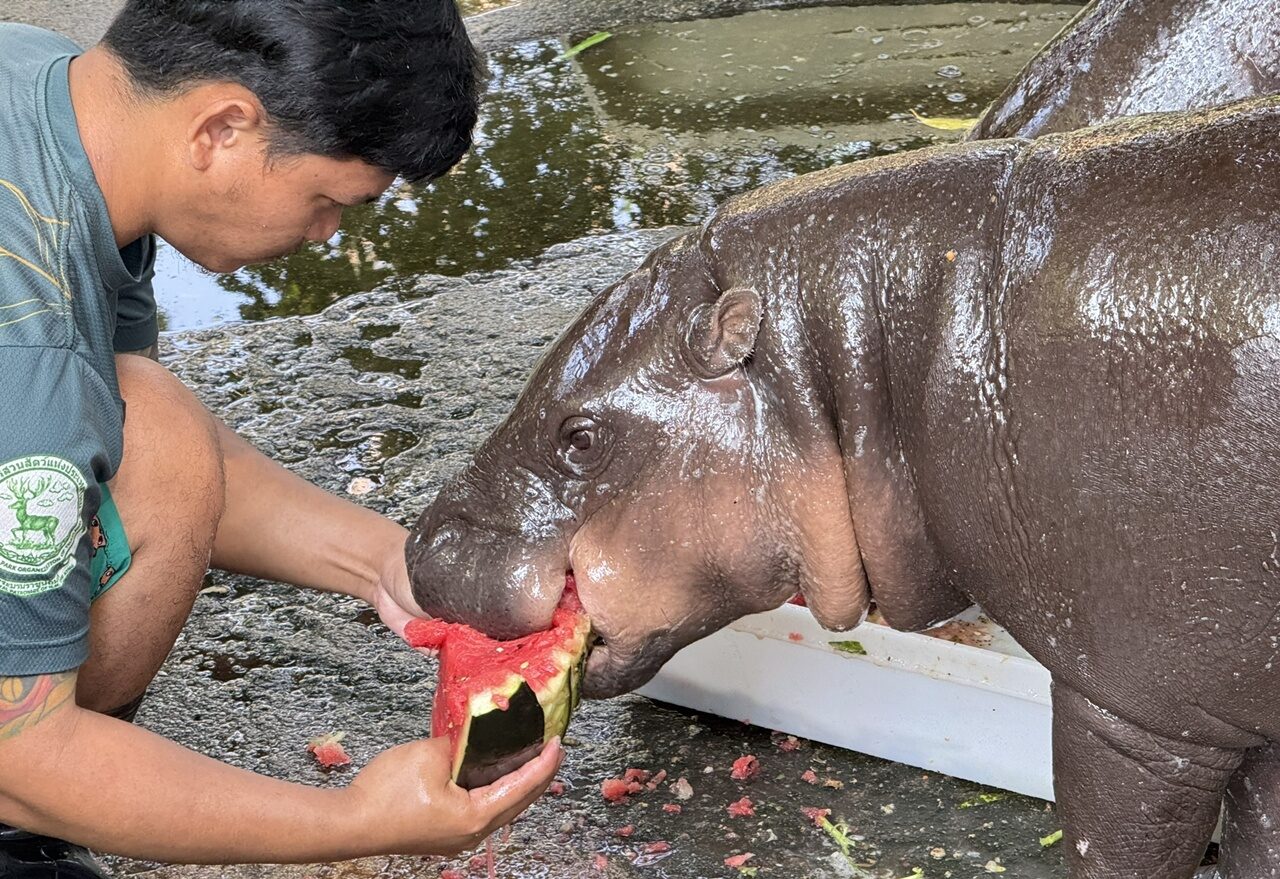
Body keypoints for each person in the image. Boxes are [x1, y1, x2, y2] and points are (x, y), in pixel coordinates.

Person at [0, 1, 562, 875]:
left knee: (153, 418)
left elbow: (127, 441)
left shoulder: (57, 95)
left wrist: (393, 563)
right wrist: (355, 821)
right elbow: (18, 752)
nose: (325, 235)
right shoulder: (28, 347)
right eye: (327, 201)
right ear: (222, 127)